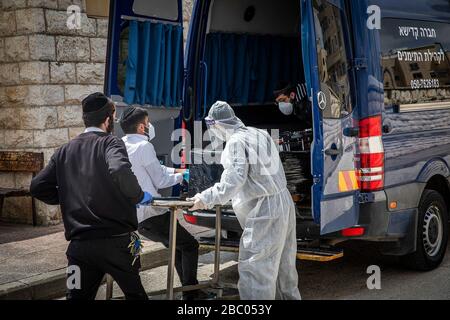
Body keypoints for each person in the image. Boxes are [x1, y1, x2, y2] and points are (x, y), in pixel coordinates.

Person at [30, 93, 153, 300]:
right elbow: (120, 170)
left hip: (79, 249)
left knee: (76, 297)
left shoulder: (64, 150)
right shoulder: (111, 143)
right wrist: (138, 195)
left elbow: (37, 186)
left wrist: (70, 196)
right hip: (117, 246)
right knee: (136, 295)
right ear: (107, 120)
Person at [187, 101, 301, 300]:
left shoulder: (235, 143)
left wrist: (203, 199)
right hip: (283, 202)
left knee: (256, 268)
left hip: (264, 209)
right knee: (284, 266)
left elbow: (233, 182)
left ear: (218, 124)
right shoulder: (260, 133)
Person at [119, 107, 206, 300]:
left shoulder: (121, 145)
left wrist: (176, 171)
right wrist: (181, 177)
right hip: (154, 213)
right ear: (142, 127)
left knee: (177, 246)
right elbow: (160, 181)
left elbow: (154, 168)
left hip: (136, 216)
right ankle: (191, 294)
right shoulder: (144, 146)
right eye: (148, 122)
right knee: (190, 245)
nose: (150, 126)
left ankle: (189, 292)